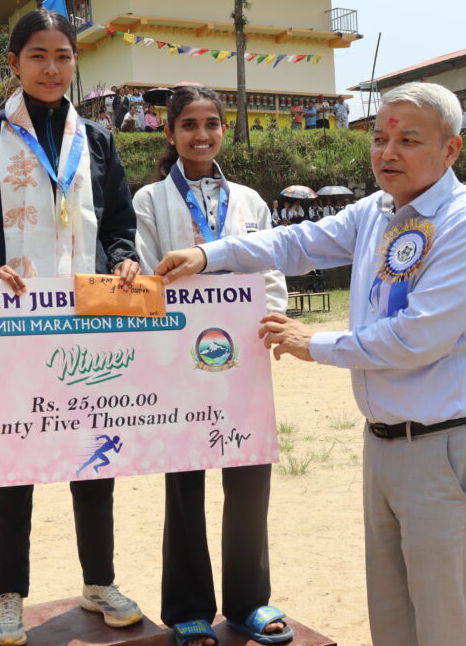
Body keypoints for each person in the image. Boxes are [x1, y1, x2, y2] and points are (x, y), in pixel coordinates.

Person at [154, 81, 466, 646]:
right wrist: (208, 254)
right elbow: (297, 243)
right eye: (379, 138)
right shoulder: (377, 210)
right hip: (383, 442)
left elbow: (417, 337)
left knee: (442, 619)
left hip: (442, 449)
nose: (387, 152)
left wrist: (313, 342)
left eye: (408, 140)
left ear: (451, 149)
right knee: (391, 616)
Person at [0, 7, 143, 646]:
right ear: (15, 63)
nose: (52, 68)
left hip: (89, 324)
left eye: (62, 56)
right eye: (38, 56)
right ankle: (9, 597)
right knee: (12, 463)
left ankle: (99, 582)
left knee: (95, 455)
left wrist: (123, 258)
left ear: (75, 62)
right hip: (17, 328)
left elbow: (119, 223)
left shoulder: (98, 140)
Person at [132, 84, 291, 646]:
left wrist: (271, 321)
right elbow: (148, 275)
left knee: (249, 476)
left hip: (244, 354)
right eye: (189, 125)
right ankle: (187, 607)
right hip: (180, 358)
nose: (202, 135)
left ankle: (248, 601)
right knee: (184, 482)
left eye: (212, 124)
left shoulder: (249, 200)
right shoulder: (150, 200)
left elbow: (271, 267)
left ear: (224, 129)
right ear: (170, 132)